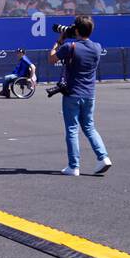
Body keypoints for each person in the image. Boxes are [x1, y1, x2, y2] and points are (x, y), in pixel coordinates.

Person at [49, 14, 112, 177]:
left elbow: (51, 58)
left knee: (72, 129)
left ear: (75, 30)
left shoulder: (69, 47)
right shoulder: (97, 47)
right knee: (89, 126)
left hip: (72, 93)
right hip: (90, 93)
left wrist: (59, 40)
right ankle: (103, 157)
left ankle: (73, 166)